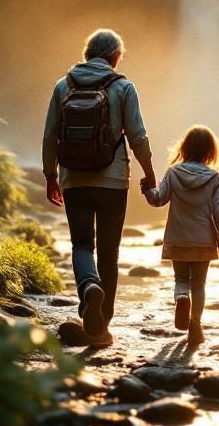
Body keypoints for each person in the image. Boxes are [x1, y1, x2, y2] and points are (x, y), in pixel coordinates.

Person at [42, 29, 155, 346]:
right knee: (109, 253)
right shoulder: (123, 86)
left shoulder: (63, 85)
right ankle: (100, 327)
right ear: (115, 57)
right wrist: (149, 172)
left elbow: (50, 136)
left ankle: (88, 288)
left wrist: (51, 175)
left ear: (87, 53)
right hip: (113, 179)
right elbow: (138, 136)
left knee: (81, 245)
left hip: (73, 179)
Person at [142, 125, 219, 345]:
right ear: (210, 152)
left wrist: (147, 191)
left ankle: (181, 298)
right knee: (199, 284)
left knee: (181, 279)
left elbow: (159, 199)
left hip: (178, 238)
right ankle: (195, 325)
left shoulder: (174, 172)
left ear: (185, 148)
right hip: (203, 240)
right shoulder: (214, 178)